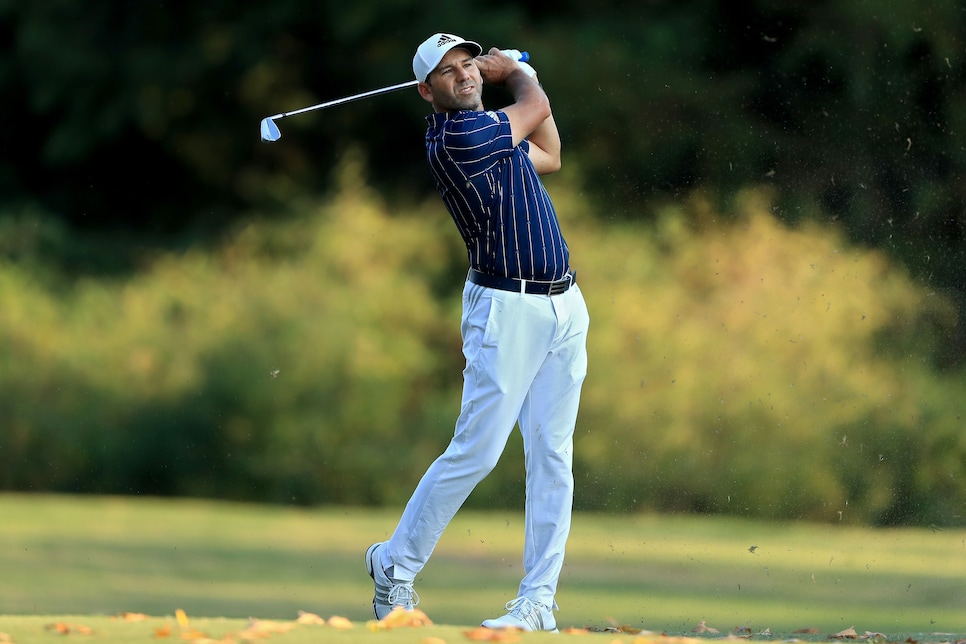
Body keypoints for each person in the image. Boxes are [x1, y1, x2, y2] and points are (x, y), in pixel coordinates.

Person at [365, 32, 590, 633]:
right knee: (478, 451)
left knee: (553, 457)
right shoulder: (461, 138)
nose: (464, 75)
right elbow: (535, 108)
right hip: (504, 311)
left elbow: (551, 151)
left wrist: (516, 80)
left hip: (565, 306)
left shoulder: (494, 132)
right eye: (449, 71)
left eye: (469, 64)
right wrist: (513, 71)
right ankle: (394, 564)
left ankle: (538, 602)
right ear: (426, 91)